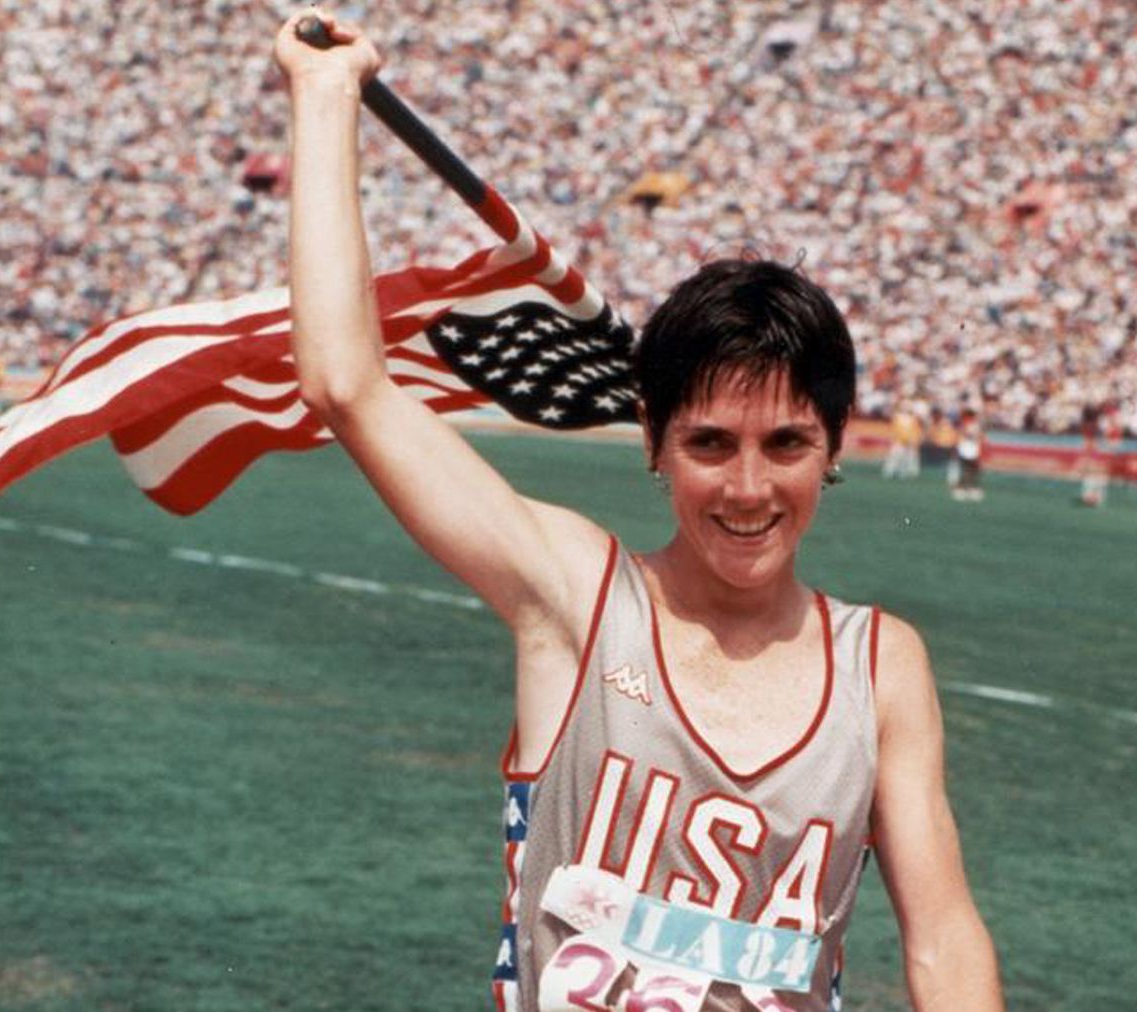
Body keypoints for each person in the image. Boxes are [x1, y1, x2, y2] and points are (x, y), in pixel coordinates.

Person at [274, 10, 1004, 1012]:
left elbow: (945, 938)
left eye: (785, 445)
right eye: (710, 444)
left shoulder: (882, 666)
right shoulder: (574, 597)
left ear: (835, 446)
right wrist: (323, 101)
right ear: (655, 438)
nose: (748, 490)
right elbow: (347, 383)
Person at [881, 398, 923, 480]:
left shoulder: (913, 418)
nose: (906, 408)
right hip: (899, 440)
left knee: (905, 458)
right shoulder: (897, 417)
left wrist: (914, 440)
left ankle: (902, 473)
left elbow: (916, 430)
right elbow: (894, 429)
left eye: (907, 406)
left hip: (909, 441)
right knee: (894, 456)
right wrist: (894, 438)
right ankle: (889, 471)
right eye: (904, 406)